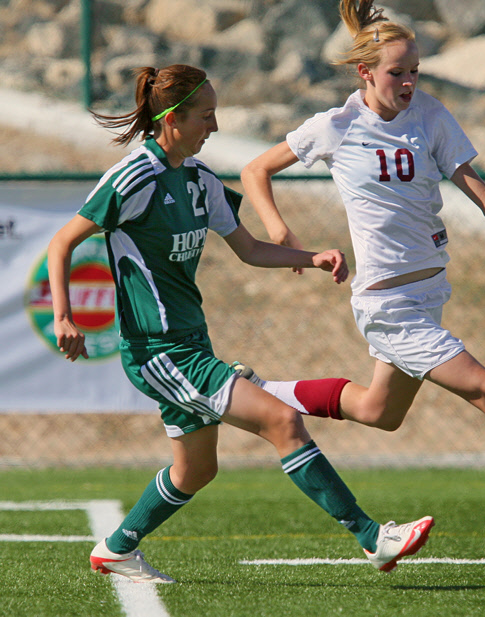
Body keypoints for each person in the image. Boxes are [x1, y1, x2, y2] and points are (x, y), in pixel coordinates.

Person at [238, 1, 485, 545]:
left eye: (414, 72)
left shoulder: (430, 115)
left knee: (377, 410)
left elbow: (483, 196)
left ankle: (258, 390)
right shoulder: (335, 126)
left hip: (427, 295)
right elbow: (254, 169)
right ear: (365, 73)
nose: (408, 82)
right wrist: (280, 232)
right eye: (396, 73)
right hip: (389, 307)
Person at [47, 63, 433, 583]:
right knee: (282, 421)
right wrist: (64, 316)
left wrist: (314, 256)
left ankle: (116, 549)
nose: (215, 126)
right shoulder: (134, 177)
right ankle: (372, 538)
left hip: (192, 343)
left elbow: (248, 249)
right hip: (157, 351)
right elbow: (62, 242)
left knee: (196, 470)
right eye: (206, 115)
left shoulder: (201, 180)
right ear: (172, 119)